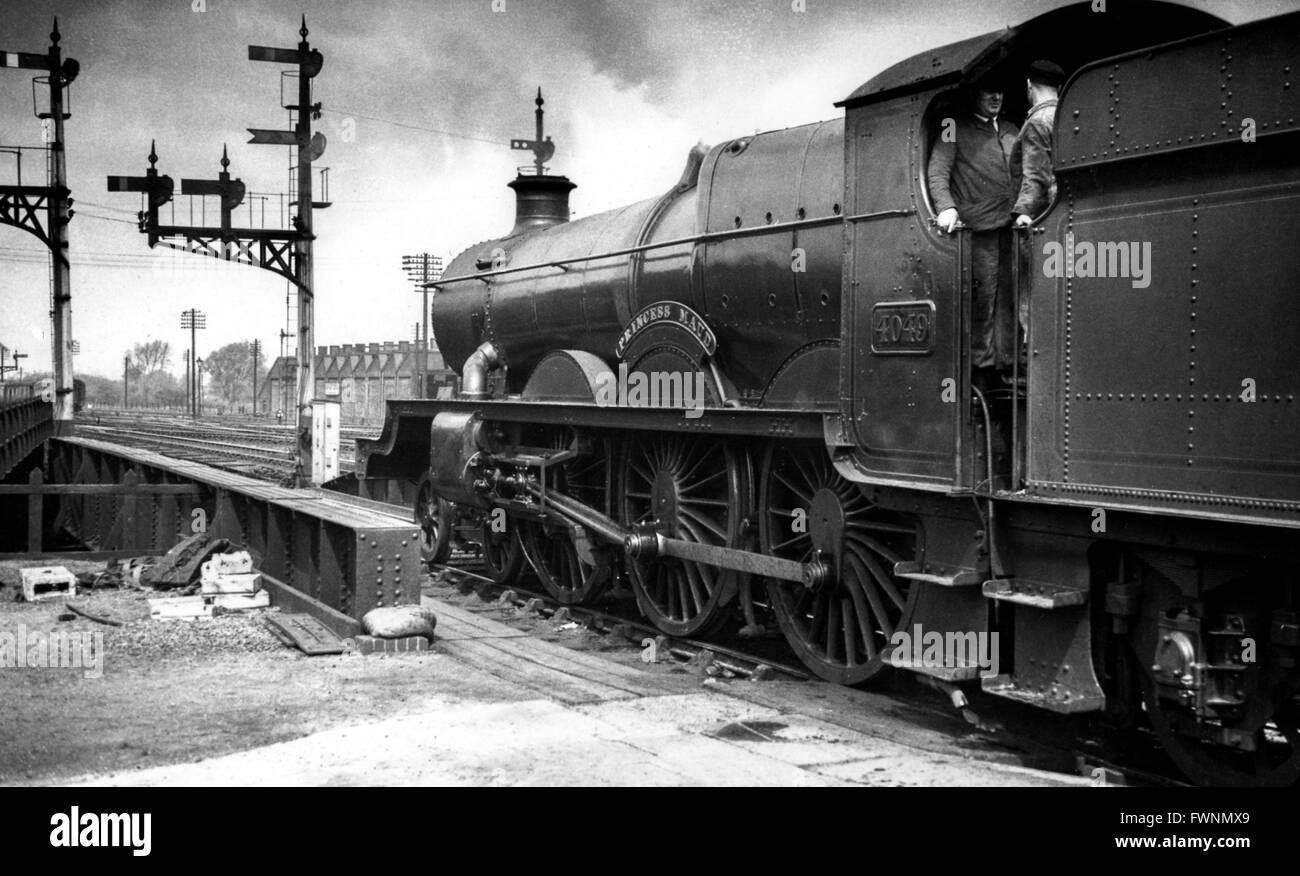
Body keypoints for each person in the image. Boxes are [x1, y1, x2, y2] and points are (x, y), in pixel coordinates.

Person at [928, 78, 1018, 379]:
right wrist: (946, 207)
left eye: (1000, 90)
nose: (996, 95)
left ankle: (1007, 364)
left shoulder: (1011, 129)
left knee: (1012, 297)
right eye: (989, 90)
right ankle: (982, 369)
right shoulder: (954, 125)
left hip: (1013, 227)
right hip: (979, 230)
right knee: (983, 300)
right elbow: (938, 171)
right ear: (973, 93)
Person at [1010, 60, 1064, 228]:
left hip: (1043, 215)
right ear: (1060, 87)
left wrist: (1023, 211)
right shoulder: (1066, 114)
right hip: (1063, 209)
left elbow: (1036, 174)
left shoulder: (1037, 121)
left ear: (1029, 85)